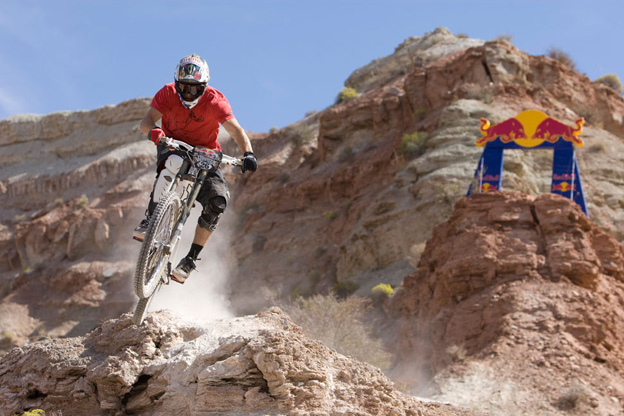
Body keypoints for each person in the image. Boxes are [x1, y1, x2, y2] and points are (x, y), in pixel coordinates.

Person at [134, 53, 257, 283]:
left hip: (205, 152)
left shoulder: (216, 101)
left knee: (218, 201)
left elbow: (236, 130)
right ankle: (150, 219)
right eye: (184, 87)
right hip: (173, 145)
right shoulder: (167, 93)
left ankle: (190, 259)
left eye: (194, 88)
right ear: (176, 83)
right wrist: (154, 132)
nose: (188, 93)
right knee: (173, 164)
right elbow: (146, 121)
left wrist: (248, 153)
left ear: (205, 86)